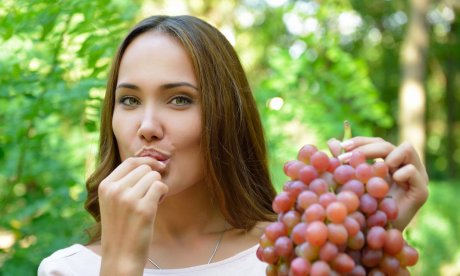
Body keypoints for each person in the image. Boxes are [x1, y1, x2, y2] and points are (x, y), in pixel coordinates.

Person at [38, 15, 429, 275]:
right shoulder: (66, 270)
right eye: (129, 100)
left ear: (227, 115)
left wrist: (364, 243)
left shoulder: (290, 252)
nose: (147, 127)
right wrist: (121, 265)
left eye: (179, 99)